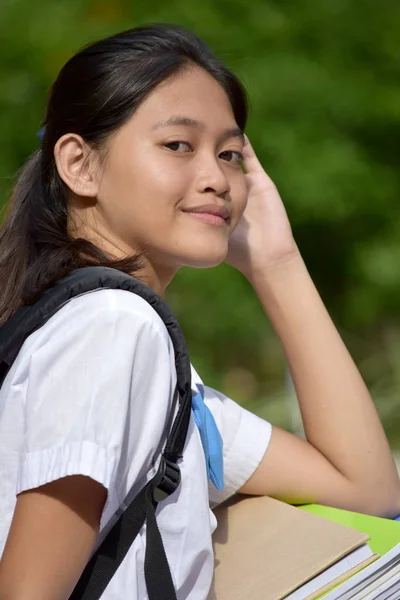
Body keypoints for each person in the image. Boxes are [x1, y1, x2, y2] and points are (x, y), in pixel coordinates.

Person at [0, 23, 399, 600]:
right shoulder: (114, 327)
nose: (216, 178)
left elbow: (366, 488)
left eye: (230, 154)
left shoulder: (145, 362)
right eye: (178, 145)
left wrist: (278, 262)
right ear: (80, 165)